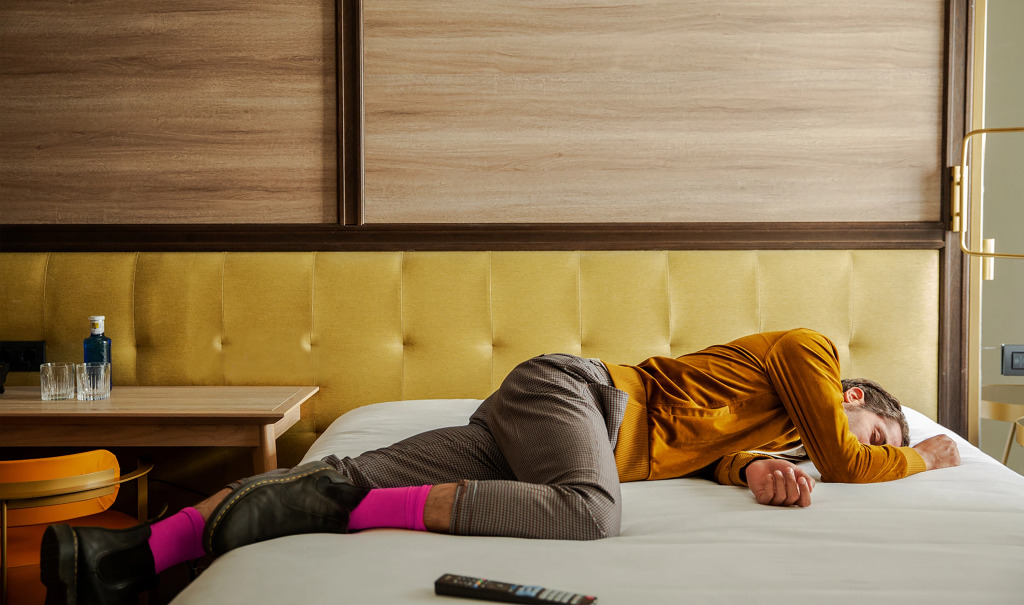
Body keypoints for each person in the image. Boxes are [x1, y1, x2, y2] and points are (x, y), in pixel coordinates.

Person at [40, 328, 961, 604]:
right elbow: (846, 460)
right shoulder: (811, 351)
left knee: (342, 475)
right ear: (851, 395)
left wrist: (754, 468)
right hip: (576, 394)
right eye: (878, 430)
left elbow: (712, 450)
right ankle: (367, 513)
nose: (872, 449)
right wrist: (916, 456)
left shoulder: (770, 421)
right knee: (592, 511)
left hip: (537, 424)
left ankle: (118, 556)